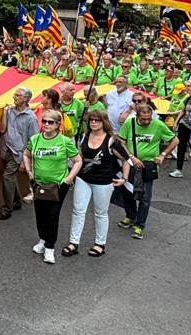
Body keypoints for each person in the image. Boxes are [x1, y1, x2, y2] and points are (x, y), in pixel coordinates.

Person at [15, 107, 76, 264]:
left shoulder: (64, 141)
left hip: (57, 185)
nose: (46, 124)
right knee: (40, 213)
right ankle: (42, 239)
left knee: (52, 215)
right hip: (38, 183)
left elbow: (78, 160)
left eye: (50, 122)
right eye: (44, 121)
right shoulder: (35, 139)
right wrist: (29, 172)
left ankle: (50, 247)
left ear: (57, 125)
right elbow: (27, 154)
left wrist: (68, 179)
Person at [63, 107, 126, 258]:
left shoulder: (111, 140)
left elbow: (125, 159)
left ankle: (100, 244)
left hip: (103, 182)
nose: (93, 122)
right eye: (91, 120)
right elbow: (78, 158)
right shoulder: (83, 137)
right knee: (78, 210)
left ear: (103, 122)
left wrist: (124, 178)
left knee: (100, 213)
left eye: (97, 120)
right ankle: (73, 242)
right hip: (83, 179)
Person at [117, 96, 175, 239]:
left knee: (145, 196)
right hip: (131, 164)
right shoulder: (129, 124)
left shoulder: (158, 125)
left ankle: (139, 225)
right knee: (127, 192)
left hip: (148, 165)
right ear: (137, 116)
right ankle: (130, 216)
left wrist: (162, 154)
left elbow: (175, 140)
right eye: (143, 119)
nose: (146, 122)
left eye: (149, 119)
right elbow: (121, 142)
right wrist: (131, 156)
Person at [0, 87, 39, 221]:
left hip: (19, 153)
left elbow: (33, 140)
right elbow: (2, 129)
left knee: (7, 177)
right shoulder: (9, 111)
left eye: (18, 95)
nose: (14, 97)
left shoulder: (31, 117)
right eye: (14, 94)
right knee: (11, 177)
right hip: (5, 148)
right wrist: (4, 113)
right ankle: (17, 201)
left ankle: (7, 209)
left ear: (26, 99)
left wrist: (26, 160)